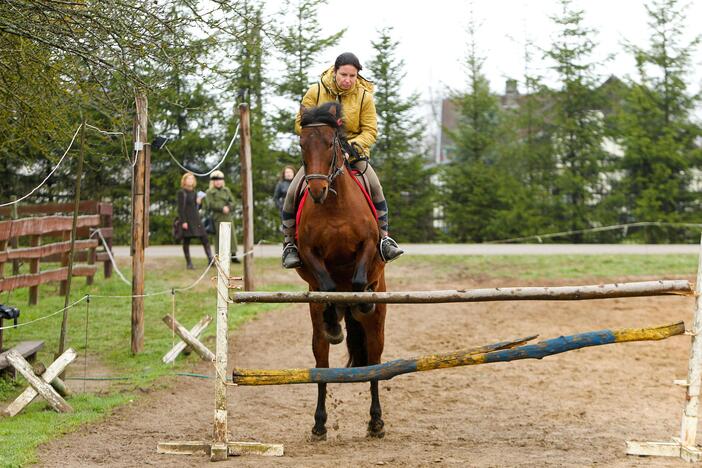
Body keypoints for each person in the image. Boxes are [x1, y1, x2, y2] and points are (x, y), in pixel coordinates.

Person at [280, 52, 404, 269]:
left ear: (358, 76)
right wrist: (322, 134)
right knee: (292, 191)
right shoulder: (315, 91)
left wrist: (349, 148)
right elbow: (300, 123)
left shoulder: (365, 97)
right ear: (334, 72)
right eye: (343, 74)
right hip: (321, 155)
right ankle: (290, 244)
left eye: (352, 76)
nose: (347, 80)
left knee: (376, 187)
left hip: (354, 155)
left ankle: (384, 239)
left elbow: (370, 131)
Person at [202, 170, 240, 263]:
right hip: (217, 217)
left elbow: (234, 202)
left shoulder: (226, 190)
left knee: (231, 237)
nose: (218, 181)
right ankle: (219, 257)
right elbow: (210, 204)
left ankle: (233, 255)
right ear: (212, 181)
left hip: (227, 216)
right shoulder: (209, 192)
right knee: (219, 239)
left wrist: (229, 207)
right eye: (216, 179)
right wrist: (221, 207)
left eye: (220, 179)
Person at [177, 172, 213, 270]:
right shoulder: (182, 193)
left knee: (205, 239)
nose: (190, 180)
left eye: (192, 179)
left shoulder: (195, 192)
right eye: (188, 179)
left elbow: (197, 208)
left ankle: (211, 260)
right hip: (187, 220)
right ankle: (189, 263)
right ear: (184, 181)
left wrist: (199, 202)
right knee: (186, 241)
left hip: (196, 219)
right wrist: (183, 221)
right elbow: (180, 209)